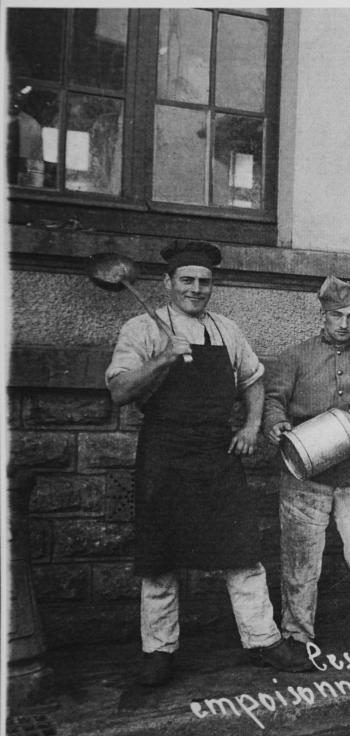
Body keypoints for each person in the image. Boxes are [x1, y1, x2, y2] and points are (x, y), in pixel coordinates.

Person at [105, 240, 311, 687]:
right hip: (164, 452)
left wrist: (252, 425)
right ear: (167, 283)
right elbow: (120, 390)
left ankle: (264, 641)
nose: (196, 289)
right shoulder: (141, 329)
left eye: (204, 281)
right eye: (187, 281)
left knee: (241, 551)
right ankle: (158, 651)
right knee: (160, 557)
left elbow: (254, 378)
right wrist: (164, 358)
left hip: (217, 452)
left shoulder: (226, 331)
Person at [262, 275, 350, 649]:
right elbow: (273, 399)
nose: (344, 324)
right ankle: (298, 635)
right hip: (305, 474)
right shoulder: (295, 356)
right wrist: (274, 423)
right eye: (337, 316)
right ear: (323, 315)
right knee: (301, 562)